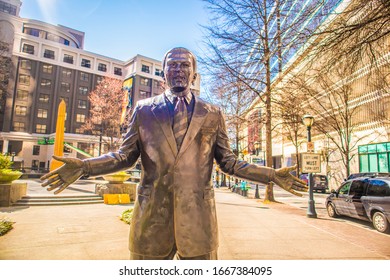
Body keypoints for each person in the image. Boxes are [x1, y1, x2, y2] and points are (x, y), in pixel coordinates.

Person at [41, 47, 308, 260]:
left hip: (198, 223)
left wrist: (271, 174)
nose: (178, 69)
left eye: (184, 65)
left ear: (194, 74)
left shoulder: (213, 113)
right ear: (163, 74)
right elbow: (124, 156)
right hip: (151, 221)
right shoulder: (144, 110)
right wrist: (84, 167)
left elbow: (229, 163)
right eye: (172, 65)